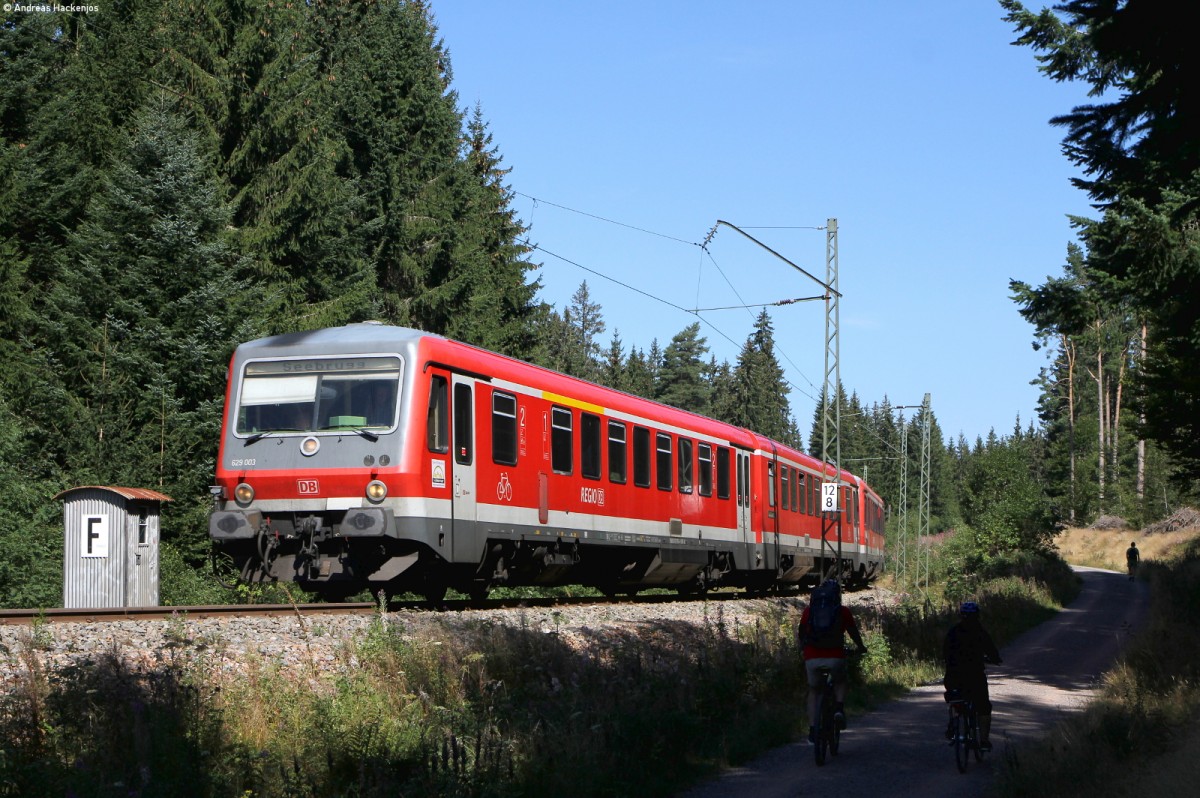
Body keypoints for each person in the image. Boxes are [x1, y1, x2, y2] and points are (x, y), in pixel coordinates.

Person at [799, 579, 867, 743]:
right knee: (840, 681)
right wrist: (861, 647)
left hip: (812, 658)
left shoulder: (809, 611)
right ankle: (838, 708)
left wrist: (803, 650)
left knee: (814, 691)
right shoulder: (842, 611)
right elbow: (853, 632)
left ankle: (813, 729)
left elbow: (801, 633)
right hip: (836, 657)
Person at [943, 601, 1002, 751]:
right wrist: (995, 659)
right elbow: (991, 650)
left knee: (956, 698)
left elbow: (944, 652)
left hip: (954, 676)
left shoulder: (953, 632)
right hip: (975, 676)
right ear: (977, 616)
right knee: (984, 707)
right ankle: (983, 740)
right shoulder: (980, 632)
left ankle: (954, 722)